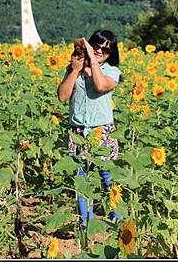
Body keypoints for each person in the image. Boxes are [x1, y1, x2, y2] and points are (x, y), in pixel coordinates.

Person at [57, 29, 123, 229]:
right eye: (97, 46)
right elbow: (62, 96)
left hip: (101, 130)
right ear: (91, 44)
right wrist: (76, 69)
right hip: (78, 131)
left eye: (106, 49)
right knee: (81, 178)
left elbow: (101, 85)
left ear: (111, 53)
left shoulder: (111, 71)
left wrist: (92, 61)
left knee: (108, 177)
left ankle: (117, 220)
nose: (100, 50)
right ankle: (85, 224)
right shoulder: (73, 68)